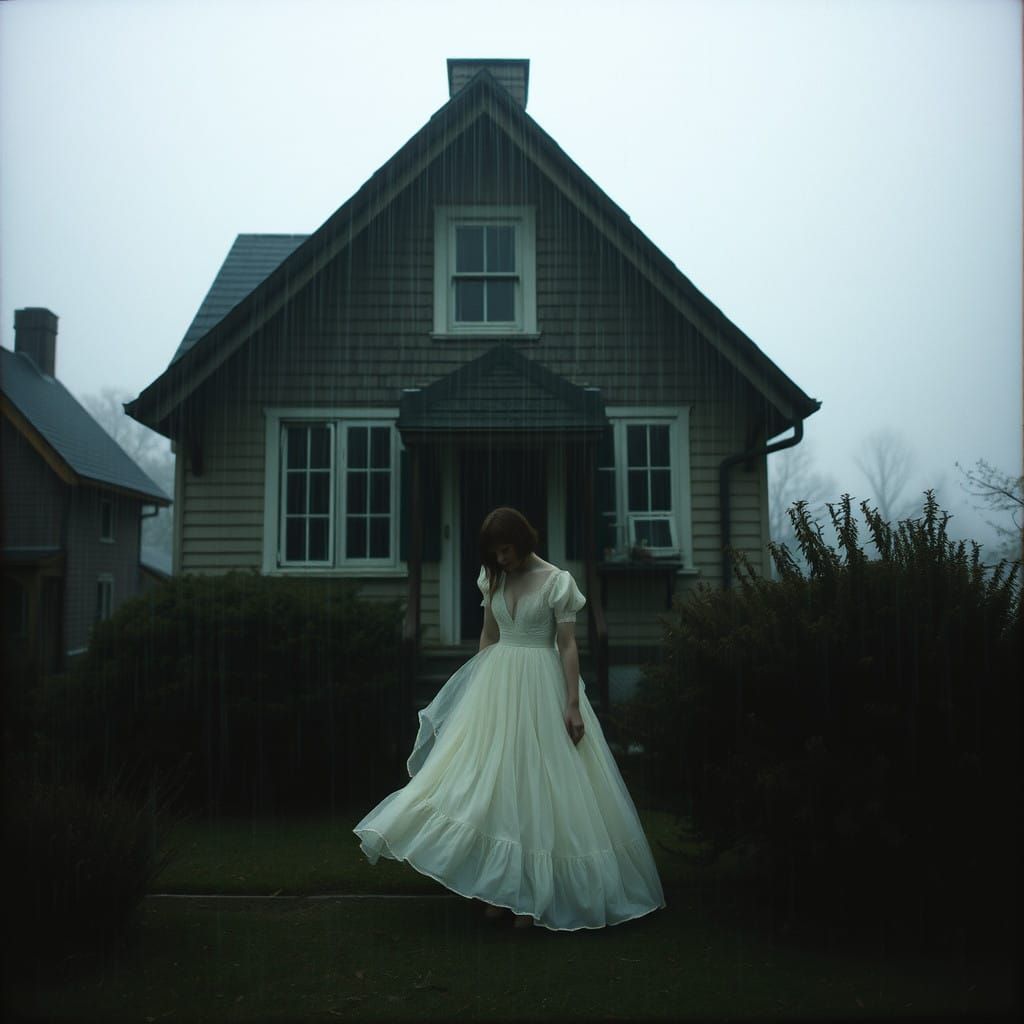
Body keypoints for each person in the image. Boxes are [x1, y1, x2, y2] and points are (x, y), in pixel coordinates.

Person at [353, 507, 665, 931]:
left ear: (522, 541)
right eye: (494, 553)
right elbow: (489, 633)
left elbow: (568, 646)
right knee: (494, 783)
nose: (501, 560)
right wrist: (476, 687)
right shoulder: (493, 578)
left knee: (538, 784)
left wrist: (572, 703)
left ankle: (531, 896)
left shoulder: (558, 582)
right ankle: (499, 889)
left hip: (543, 684)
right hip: (498, 685)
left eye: (506, 550)